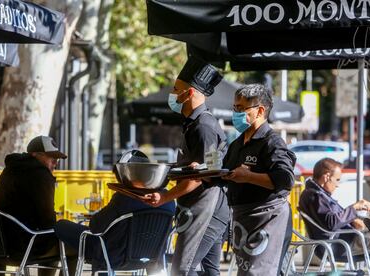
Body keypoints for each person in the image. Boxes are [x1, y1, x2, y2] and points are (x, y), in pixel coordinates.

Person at [143, 56, 230, 276]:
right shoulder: (195, 124)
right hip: (207, 208)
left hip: (206, 210)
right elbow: (209, 165)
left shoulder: (204, 127)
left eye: (176, 89)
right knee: (210, 271)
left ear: (189, 93)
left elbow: (201, 175)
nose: (172, 94)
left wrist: (164, 197)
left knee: (183, 268)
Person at [221, 84, 296, 276]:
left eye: (241, 108)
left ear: (260, 110)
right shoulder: (237, 144)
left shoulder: (272, 142)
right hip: (242, 220)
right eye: (235, 108)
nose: (236, 113)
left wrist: (249, 176)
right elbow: (226, 173)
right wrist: (206, 172)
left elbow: (285, 180)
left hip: (268, 220)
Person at [0, 135, 71, 276]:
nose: (55, 163)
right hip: (22, 248)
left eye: (57, 159)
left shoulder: (9, 170)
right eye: (52, 158)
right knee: (72, 244)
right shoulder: (41, 175)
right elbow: (47, 220)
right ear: (35, 155)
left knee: (53, 240)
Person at [54, 192, 176, 272]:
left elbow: (96, 227)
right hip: (153, 258)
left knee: (61, 225)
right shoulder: (169, 201)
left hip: (114, 258)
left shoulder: (124, 197)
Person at [299, 157, 370, 258]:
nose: (338, 185)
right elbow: (331, 222)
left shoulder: (316, 194)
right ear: (327, 177)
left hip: (342, 241)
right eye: (337, 180)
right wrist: (354, 208)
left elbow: (330, 219)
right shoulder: (315, 196)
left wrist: (351, 220)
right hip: (340, 244)